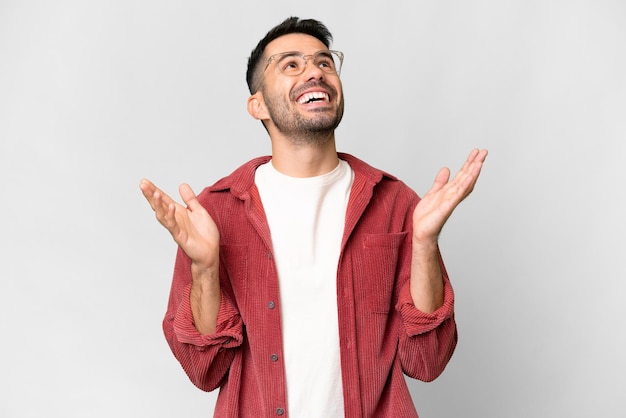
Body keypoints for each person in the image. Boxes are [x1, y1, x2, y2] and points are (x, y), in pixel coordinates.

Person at [140, 16, 487, 418]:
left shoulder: (395, 202)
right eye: (291, 64)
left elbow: (427, 361)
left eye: (325, 63)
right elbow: (205, 370)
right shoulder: (214, 211)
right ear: (258, 105)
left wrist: (425, 245)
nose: (314, 73)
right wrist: (205, 267)